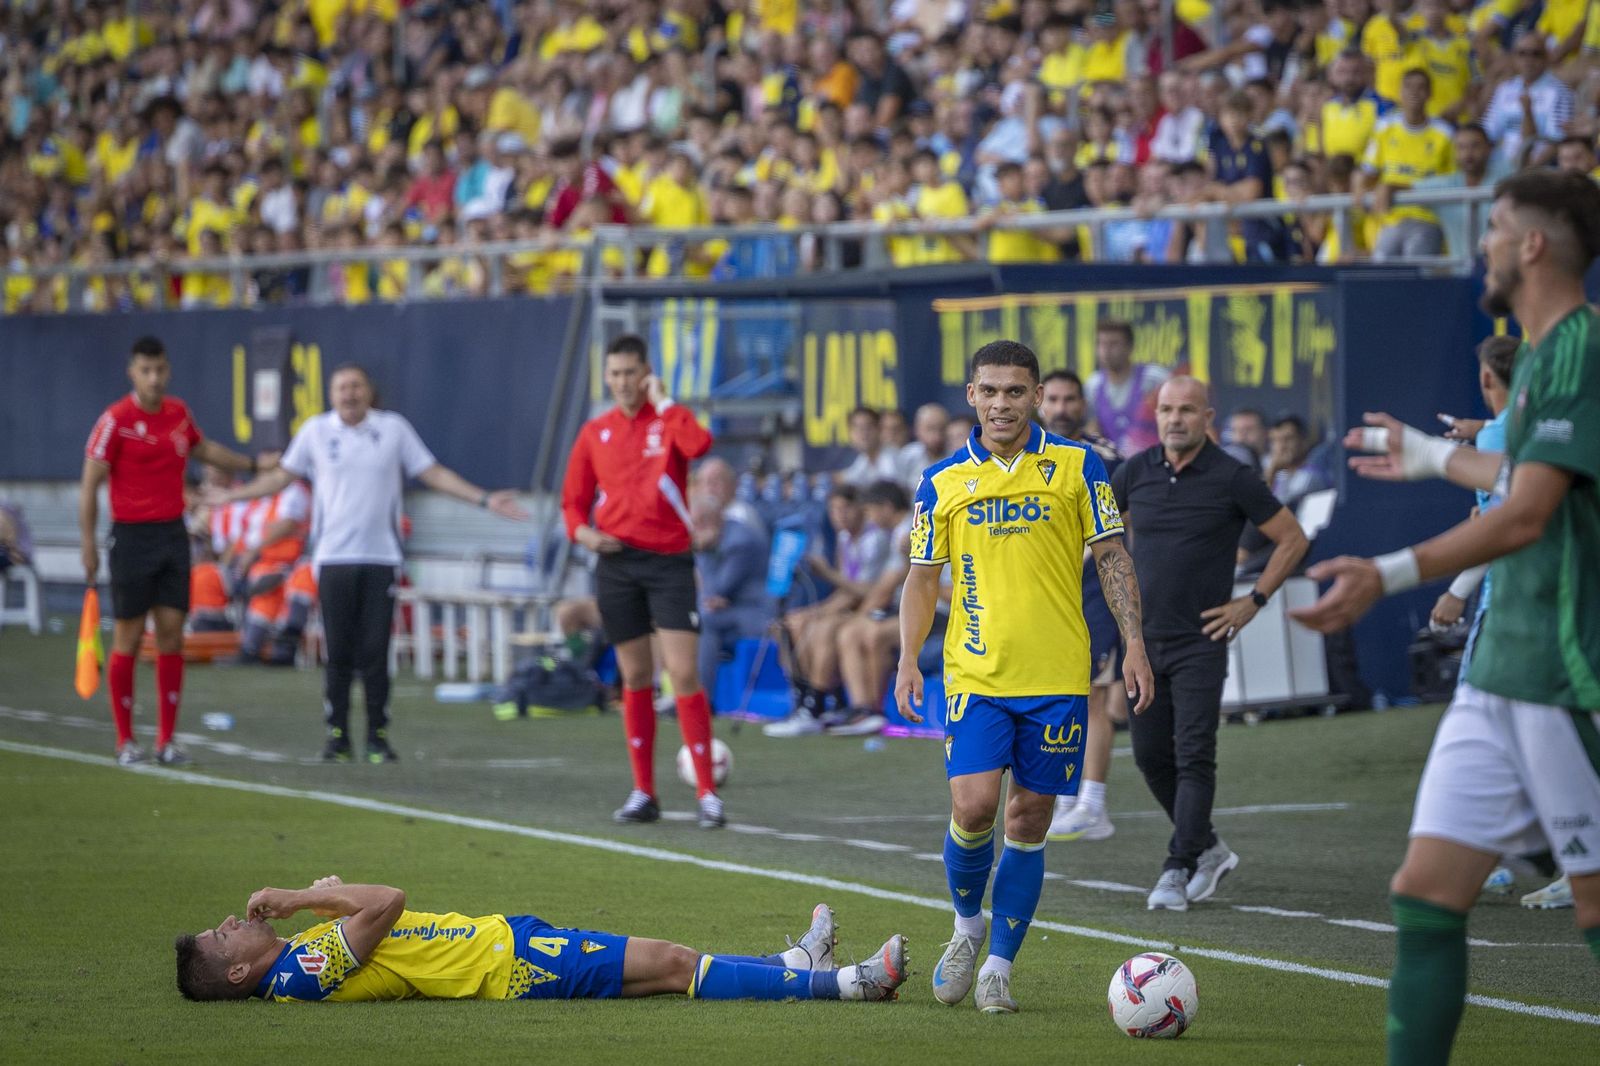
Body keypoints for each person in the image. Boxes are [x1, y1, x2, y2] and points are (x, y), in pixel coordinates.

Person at [1292, 170, 1600, 1064]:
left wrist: (1387, 572)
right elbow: (1520, 481)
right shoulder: (1545, 355)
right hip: (1499, 671)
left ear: (1534, 245)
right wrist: (1435, 455)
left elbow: (1531, 511)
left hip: (1562, 670)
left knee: (1591, 906)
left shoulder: (1581, 347)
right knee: (1425, 891)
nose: (1486, 244)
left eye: (1497, 227)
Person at [894, 340, 1154, 1014]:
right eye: (990, 391)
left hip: (1059, 677)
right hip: (978, 675)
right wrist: (905, 656)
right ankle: (966, 928)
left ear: (1037, 395)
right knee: (974, 806)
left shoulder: (1077, 465)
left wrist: (1134, 642)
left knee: (1029, 819)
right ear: (971, 396)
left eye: (1016, 391)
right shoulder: (943, 480)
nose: (1002, 403)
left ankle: (999, 968)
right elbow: (923, 578)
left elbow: (1112, 556)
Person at [209, 364, 528, 764]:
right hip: (333, 557)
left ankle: (377, 735)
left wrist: (484, 500)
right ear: (331, 394)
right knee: (339, 651)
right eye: (342, 387)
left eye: (356, 386)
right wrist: (233, 497)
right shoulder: (316, 432)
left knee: (377, 650)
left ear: (368, 392)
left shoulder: (392, 429)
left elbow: (433, 473)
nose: (349, 394)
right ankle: (337, 736)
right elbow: (279, 478)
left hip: (381, 558)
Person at [1112, 377, 1309, 911]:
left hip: (1202, 640)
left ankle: (1177, 865)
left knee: (1194, 754)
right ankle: (1210, 847)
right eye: (1167, 410)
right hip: (1143, 644)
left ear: (1207, 417)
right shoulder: (1135, 471)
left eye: (1187, 410)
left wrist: (1255, 600)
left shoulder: (1234, 477)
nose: (1175, 419)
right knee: (1151, 757)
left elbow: (1293, 538)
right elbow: (1102, 538)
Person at [175, 876, 906, 1004]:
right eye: (223, 937)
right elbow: (388, 901)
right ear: (237, 974)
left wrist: (321, 899)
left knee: (671, 966)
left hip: (507, 946)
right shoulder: (298, 971)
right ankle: (846, 984)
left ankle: (795, 963)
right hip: (511, 965)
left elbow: (361, 912)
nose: (233, 922)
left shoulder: (300, 967)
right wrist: (305, 898)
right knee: (675, 965)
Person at [560, 334, 724, 828]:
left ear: (646, 373)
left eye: (631, 373)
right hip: (617, 564)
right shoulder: (595, 432)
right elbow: (572, 502)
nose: (622, 382)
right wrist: (584, 535)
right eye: (614, 374)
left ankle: (707, 793)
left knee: (683, 673)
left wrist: (666, 401)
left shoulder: (667, 421)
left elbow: (700, 444)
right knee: (633, 677)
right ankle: (643, 792)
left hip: (670, 561)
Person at [81, 336, 259, 766]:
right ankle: (126, 741)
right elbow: (90, 484)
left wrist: (253, 465)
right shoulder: (116, 420)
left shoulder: (179, 415)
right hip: (131, 538)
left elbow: (206, 449)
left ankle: (166, 740)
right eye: (146, 370)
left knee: (172, 637)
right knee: (127, 636)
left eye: (160, 369)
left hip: (172, 537)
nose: (154, 378)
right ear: (132, 372)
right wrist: (87, 543)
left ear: (169, 369)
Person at [1036, 371, 1127, 844]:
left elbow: (1122, 525)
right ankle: (1067, 799)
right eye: (1053, 398)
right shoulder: (1020, 457)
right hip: (1040, 597)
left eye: (1070, 398)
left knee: (1092, 694)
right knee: (1055, 696)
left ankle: (1092, 802)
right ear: (1040, 401)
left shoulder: (1104, 458)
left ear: (1083, 404)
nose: (1062, 406)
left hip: (1091, 592)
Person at [765, 483, 893, 738]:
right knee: (792, 623)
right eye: (834, 510)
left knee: (822, 628)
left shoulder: (874, 538)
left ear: (861, 509)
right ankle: (805, 700)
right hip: (852, 606)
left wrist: (828, 576)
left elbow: (866, 590)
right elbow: (846, 591)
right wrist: (817, 610)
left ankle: (815, 704)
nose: (839, 515)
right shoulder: (845, 539)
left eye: (845, 508)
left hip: (877, 610)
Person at [692, 494, 772, 713]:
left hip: (758, 614)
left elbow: (714, 590)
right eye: (695, 523)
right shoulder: (723, 536)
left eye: (702, 522)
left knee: (705, 620)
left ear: (717, 518)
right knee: (693, 617)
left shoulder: (740, 540)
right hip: (733, 612)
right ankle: (691, 696)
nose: (698, 529)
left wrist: (702, 551)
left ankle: (701, 699)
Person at [1085, 320, 1167, 456]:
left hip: (1153, 463)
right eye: (1101, 343)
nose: (1106, 350)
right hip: (1112, 468)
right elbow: (1091, 430)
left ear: (1130, 347)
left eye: (1114, 344)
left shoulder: (1155, 379)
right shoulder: (1092, 385)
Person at [837, 407, 901, 487]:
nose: (863, 433)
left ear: (879, 430)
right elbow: (847, 478)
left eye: (868, 427)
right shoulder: (864, 459)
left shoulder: (891, 456)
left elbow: (891, 492)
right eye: (857, 428)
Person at [897, 403, 950, 492]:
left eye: (942, 429)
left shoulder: (957, 457)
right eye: (930, 429)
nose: (937, 436)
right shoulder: (907, 456)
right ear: (917, 430)